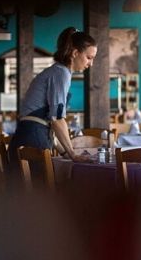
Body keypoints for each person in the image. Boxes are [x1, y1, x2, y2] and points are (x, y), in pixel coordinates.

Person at [9, 27, 97, 164]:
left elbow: (49, 121)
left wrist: (64, 152)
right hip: (33, 139)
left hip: (28, 137)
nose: (91, 64)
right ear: (75, 53)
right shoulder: (61, 74)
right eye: (89, 58)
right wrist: (73, 154)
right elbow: (56, 119)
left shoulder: (58, 71)